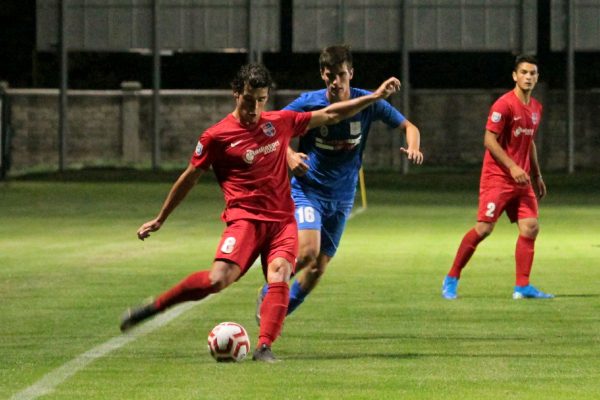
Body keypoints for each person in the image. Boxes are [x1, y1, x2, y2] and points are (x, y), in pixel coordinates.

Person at [119, 63, 402, 363]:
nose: (255, 107)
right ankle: (154, 307)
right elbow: (190, 176)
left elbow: (332, 114)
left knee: (280, 274)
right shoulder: (216, 137)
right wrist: (161, 218)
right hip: (245, 222)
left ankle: (264, 346)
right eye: (249, 99)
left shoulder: (279, 122)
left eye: (261, 99)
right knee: (217, 280)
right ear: (236, 93)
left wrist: (375, 96)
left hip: (282, 222)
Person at [256, 45, 423, 323]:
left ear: (351, 74)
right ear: (323, 74)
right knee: (308, 252)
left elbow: (410, 127)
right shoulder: (309, 103)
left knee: (317, 270)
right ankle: (270, 291)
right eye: (331, 75)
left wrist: (414, 147)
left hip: (343, 198)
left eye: (342, 75)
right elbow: (271, 129)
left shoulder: (368, 102)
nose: (336, 81)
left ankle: (276, 315)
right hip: (308, 191)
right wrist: (288, 156)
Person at [442, 54, 553, 300]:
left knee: (531, 227)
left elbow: (529, 142)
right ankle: (451, 277)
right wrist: (513, 167)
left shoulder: (536, 108)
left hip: (522, 180)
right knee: (484, 228)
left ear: (537, 77)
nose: (528, 77)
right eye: (523, 72)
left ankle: (522, 287)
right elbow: (488, 140)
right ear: (515, 76)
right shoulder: (504, 105)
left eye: (532, 73)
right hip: (498, 178)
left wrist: (537, 175)